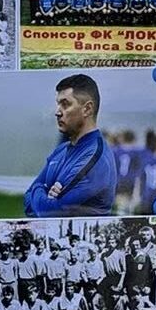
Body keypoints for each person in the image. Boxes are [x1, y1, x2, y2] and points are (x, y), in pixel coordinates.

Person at [23, 73, 117, 217]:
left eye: (65, 104)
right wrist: (42, 190)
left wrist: (38, 188)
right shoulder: (61, 150)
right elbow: (27, 203)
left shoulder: (95, 158)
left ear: (87, 109)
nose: (57, 112)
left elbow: (49, 212)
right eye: (58, 104)